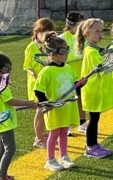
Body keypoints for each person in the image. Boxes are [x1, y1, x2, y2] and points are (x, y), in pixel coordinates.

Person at [0, 52, 40, 180]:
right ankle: (1, 178)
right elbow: (11, 101)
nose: (8, 72)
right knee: (10, 149)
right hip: (3, 121)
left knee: (1, 147)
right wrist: (29, 103)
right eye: (6, 69)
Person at [34, 34, 80, 171]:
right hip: (55, 108)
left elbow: (75, 83)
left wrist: (81, 83)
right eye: (62, 51)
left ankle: (64, 156)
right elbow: (38, 90)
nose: (66, 54)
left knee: (64, 131)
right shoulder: (47, 71)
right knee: (54, 133)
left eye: (67, 50)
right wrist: (45, 103)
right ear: (52, 54)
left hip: (67, 107)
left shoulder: (68, 68)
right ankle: (50, 159)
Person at [76, 17, 113, 158]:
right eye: (97, 31)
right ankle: (90, 146)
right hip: (92, 90)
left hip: (95, 89)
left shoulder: (95, 49)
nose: (101, 34)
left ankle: (94, 144)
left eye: (102, 31)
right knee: (93, 120)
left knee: (95, 118)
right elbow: (104, 68)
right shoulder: (91, 51)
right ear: (87, 33)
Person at [24, 18, 56, 149]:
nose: (46, 36)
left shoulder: (48, 46)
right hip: (37, 84)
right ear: (37, 32)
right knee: (40, 109)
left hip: (47, 82)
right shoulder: (31, 47)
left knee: (46, 109)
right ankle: (38, 138)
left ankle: (44, 134)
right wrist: (36, 75)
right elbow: (27, 66)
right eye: (44, 33)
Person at [62, 11, 88, 133]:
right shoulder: (62, 38)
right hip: (66, 75)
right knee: (67, 100)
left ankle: (82, 122)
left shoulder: (83, 38)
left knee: (80, 98)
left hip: (81, 74)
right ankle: (66, 126)